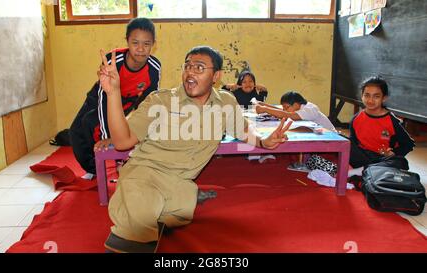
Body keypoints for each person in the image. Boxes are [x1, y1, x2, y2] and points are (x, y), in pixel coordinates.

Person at [97, 45, 292, 253]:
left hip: (180, 182)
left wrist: (264, 141)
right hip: (146, 174)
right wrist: (113, 92)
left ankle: (175, 205)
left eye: (199, 67)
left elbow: (243, 130)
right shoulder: (161, 100)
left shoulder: (225, 102)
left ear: (216, 75)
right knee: (137, 224)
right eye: (187, 66)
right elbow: (123, 141)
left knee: (176, 214)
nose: (190, 72)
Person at [69, 18, 161, 180]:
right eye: (135, 43)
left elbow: (150, 101)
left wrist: (140, 126)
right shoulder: (113, 61)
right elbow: (103, 101)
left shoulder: (154, 67)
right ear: (127, 41)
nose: (140, 49)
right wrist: (107, 137)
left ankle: (124, 164)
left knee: (124, 133)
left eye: (146, 44)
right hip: (101, 96)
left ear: (154, 43)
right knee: (80, 128)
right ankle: (94, 169)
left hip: (127, 101)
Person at [348, 76, 415, 177]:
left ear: (384, 98)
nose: (370, 100)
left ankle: (362, 171)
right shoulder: (356, 118)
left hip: (382, 158)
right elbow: (353, 142)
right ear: (361, 96)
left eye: (376, 96)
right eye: (367, 95)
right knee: (344, 142)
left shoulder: (392, 121)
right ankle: (370, 170)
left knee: (401, 162)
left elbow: (408, 144)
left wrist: (393, 153)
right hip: (363, 157)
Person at [256, 91, 337, 132]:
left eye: (286, 107)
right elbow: (282, 110)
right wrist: (265, 105)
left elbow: (286, 115)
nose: (284, 109)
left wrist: (265, 109)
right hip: (317, 133)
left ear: (296, 104)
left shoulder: (310, 109)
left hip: (330, 136)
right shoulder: (298, 108)